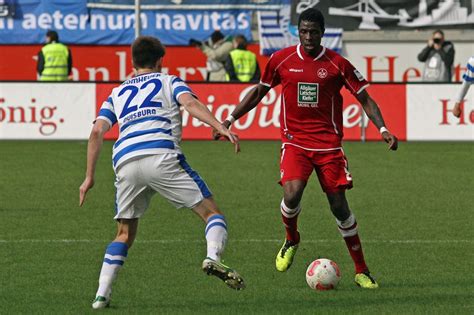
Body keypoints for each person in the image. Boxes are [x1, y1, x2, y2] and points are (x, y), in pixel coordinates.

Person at [215, 8, 398, 289]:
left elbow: (365, 98)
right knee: (292, 193)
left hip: (329, 146)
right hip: (294, 142)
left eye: (314, 31)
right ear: (297, 32)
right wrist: (228, 119)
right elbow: (258, 92)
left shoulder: (338, 63)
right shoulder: (281, 60)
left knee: (339, 206)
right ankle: (292, 238)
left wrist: (383, 128)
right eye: (303, 31)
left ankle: (361, 270)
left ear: (322, 33)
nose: (308, 36)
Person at [79, 36, 245, 310]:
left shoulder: (117, 92)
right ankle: (213, 256)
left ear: (133, 63)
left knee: (123, 234)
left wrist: (89, 177)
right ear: (160, 62)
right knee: (212, 214)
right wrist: (220, 126)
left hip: (126, 162)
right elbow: (191, 104)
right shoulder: (169, 81)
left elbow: (97, 131)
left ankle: (101, 296)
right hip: (161, 154)